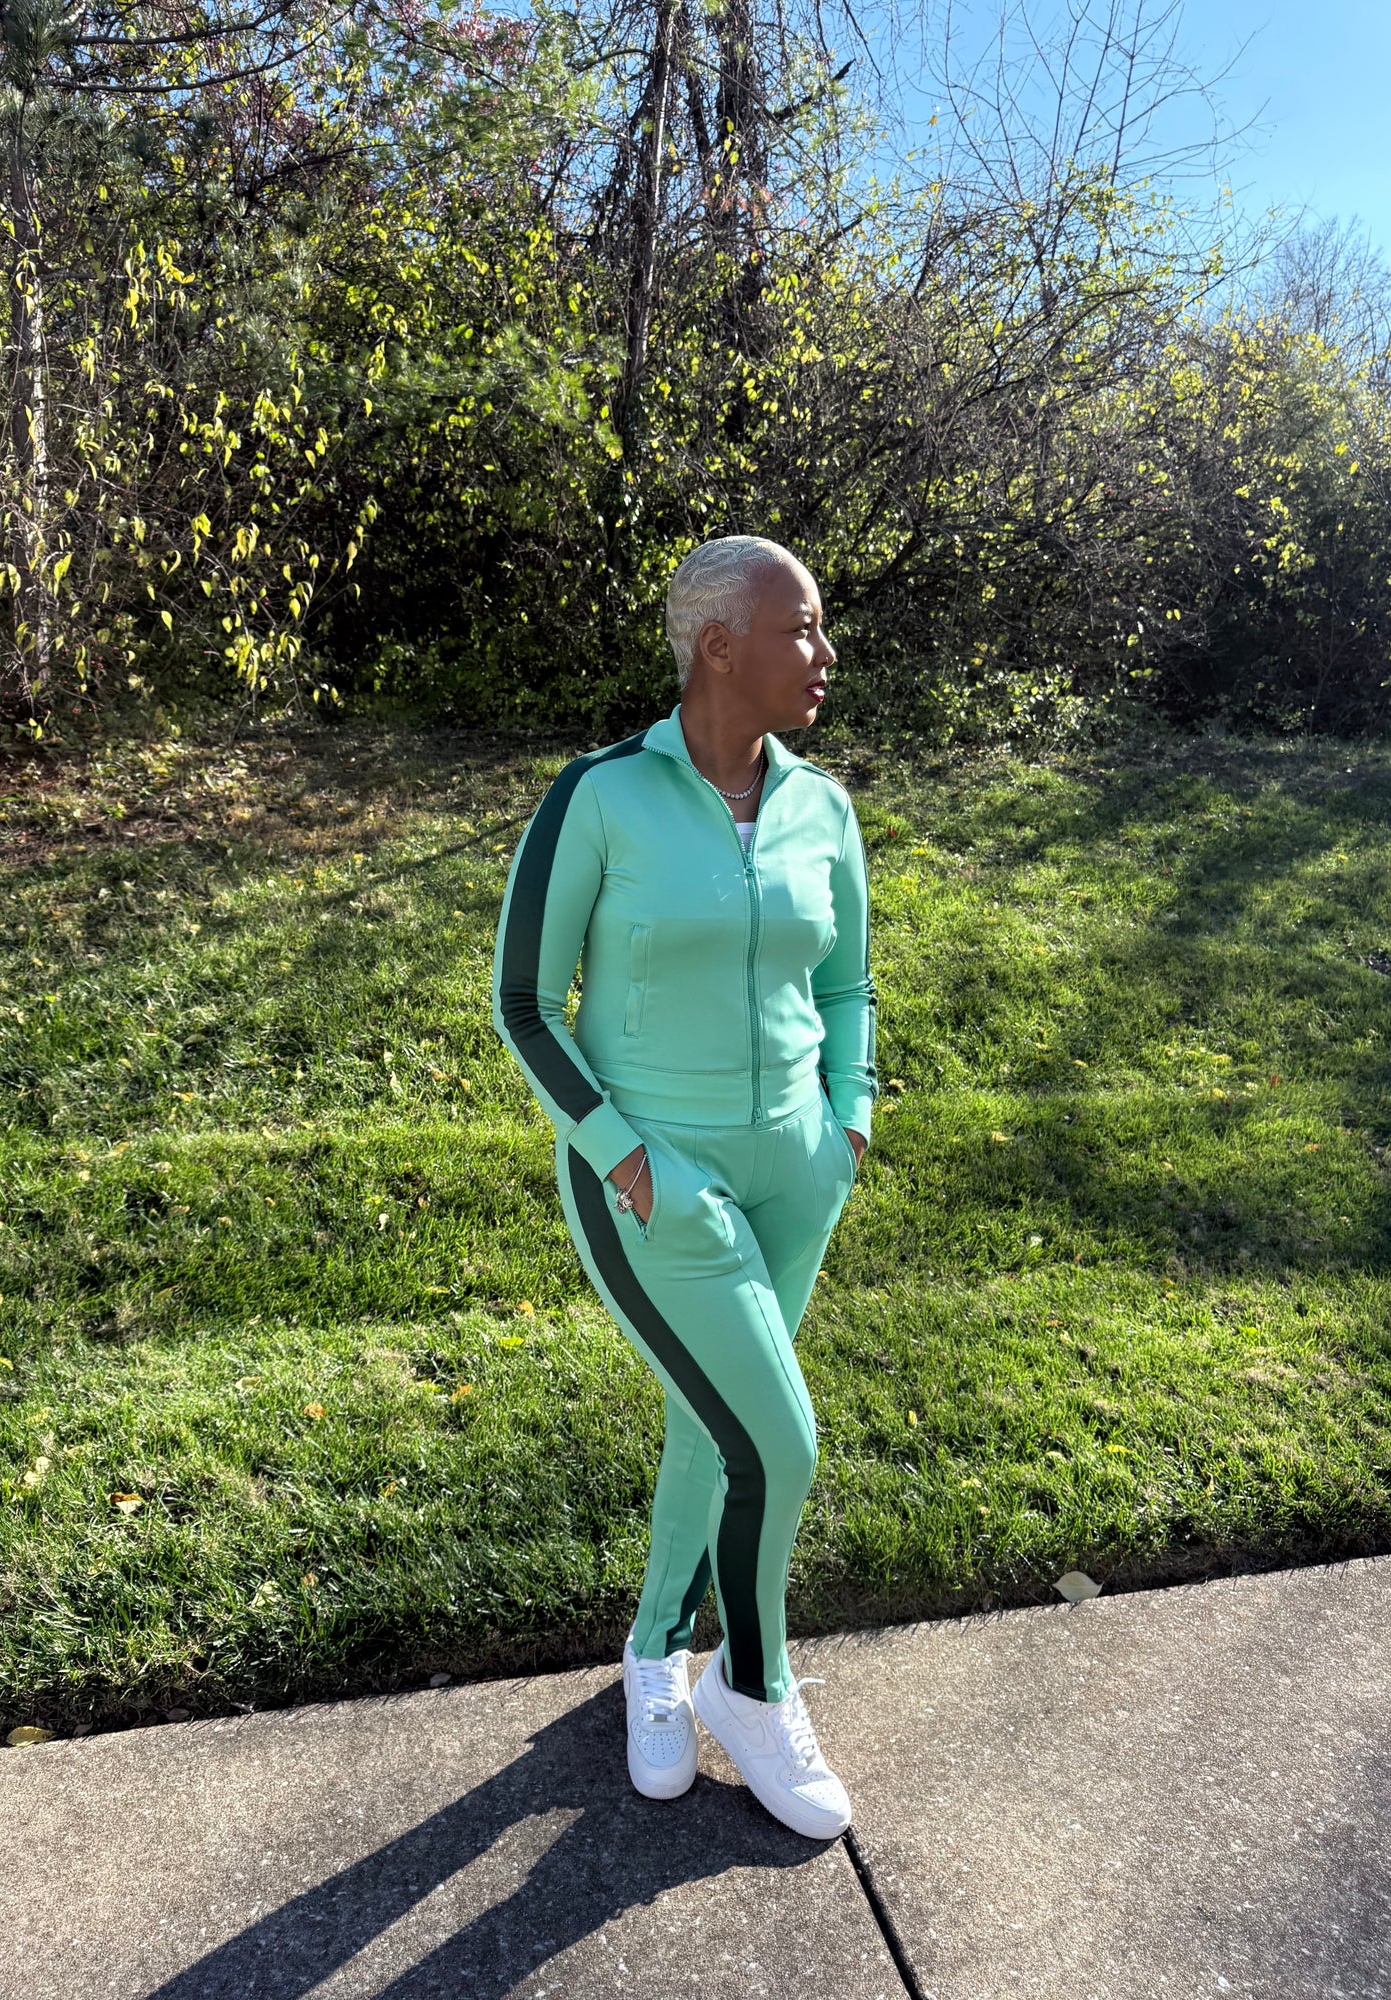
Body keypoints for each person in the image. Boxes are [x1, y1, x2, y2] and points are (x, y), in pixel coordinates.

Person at [490, 534, 876, 1841]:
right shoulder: (600, 797)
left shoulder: (824, 808)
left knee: (716, 1424)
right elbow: (525, 1003)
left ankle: (657, 1648)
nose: (824, 653)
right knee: (779, 1441)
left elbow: (848, 983)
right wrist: (622, 1153)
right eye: (801, 628)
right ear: (720, 646)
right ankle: (752, 1690)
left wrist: (852, 1114)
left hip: (798, 1168)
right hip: (657, 1177)